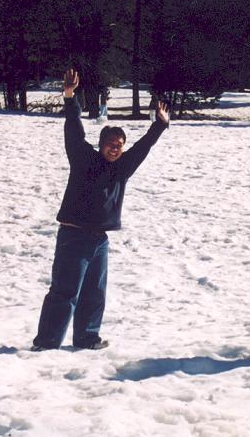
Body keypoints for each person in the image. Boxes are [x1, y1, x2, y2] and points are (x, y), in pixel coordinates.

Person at [32, 69, 170, 351]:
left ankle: (87, 337)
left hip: (99, 240)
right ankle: (46, 343)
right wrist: (70, 97)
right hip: (74, 237)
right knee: (65, 292)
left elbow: (142, 148)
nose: (115, 149)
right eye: (110, 144)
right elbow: (73, 130)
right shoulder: (83, 159)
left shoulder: (122, 169)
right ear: (101, 144)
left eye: (119, 146)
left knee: (95, 293)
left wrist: (159, 125)